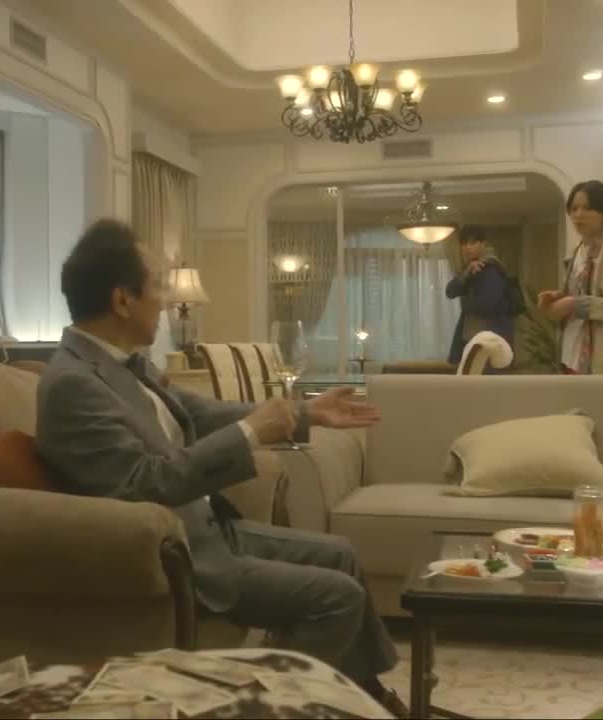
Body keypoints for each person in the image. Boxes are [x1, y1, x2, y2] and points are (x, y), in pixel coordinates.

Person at [36, 219, 406, 715]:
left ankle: (365, 696)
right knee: (337, 597)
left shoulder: (125, 364)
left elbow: (202, 413)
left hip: (208, 529)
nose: (166, 301)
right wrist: (252, 432)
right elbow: (146, 483)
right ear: (123, 300)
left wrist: (304, 413)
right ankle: (257, 708)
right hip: (177, 557)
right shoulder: (74, 383)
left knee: (342, 555)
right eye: (158, 286)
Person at [538, 180, 603, 374]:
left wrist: (574, 304)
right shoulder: (576, 253)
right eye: (574, 208)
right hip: (570, 356)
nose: (578, 214)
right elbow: (581, 295)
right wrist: (558, 298)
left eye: (587, 208)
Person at [445, 225, 515, 372]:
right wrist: (467, 273)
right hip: (472, 338)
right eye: (464, 243)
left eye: (472, 243)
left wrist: (466, 303)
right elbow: (450, 291)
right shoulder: (471, 269)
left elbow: (486, 305)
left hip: (490, 340)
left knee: (486, 382)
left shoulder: (492, 269)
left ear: (483, 244)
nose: (467, 248)